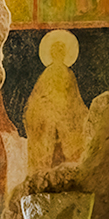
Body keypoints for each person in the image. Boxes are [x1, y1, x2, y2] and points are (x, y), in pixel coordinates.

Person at [23, 31, 86, 173]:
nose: (58, 53)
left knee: (69, 146)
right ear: (51, 53)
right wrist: (46, 112)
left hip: (66, 118)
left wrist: (83, 115)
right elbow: (38, 98)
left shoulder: (69, 74)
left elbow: (74, 99)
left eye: (61, 50)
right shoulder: (47, 74)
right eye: (55, 50)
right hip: (48, 119)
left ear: (64, 53)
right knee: (48, 151)